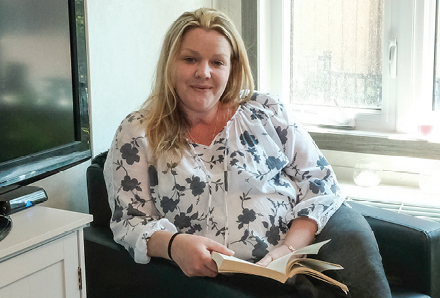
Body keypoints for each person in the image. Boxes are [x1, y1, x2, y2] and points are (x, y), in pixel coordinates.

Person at [103, 7, 392, 298]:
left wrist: (289, 251)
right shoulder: (138, 132)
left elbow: (320, 185)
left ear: (232, 68)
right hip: (210, 284)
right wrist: (173, 245)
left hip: (291, 267)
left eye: (217, 62)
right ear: (170, 63)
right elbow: (129, 221)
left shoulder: (268, 112)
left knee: (355, 239)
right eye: (190, 59)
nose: (203, 72)